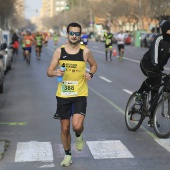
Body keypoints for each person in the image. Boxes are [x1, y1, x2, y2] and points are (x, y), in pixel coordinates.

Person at [47, 22, 97, 167]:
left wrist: (91, 74)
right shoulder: (59, 51)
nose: (74, 36)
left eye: (77, 33)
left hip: (80, 94)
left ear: (79, 35)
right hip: (63, 95)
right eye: (71, 33)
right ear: (67, 34)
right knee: (64, 128)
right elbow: (49, 70)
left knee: (76, 126)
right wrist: (55, 72)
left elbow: (94, 65)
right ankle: (68, 154)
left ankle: (79, 134)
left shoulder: (85, 51)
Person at [135, 21, 170, 127]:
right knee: (153, 76)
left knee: (155, 93)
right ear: (164, 31)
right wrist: (155, 64)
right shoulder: (159, 39)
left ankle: (151, 120)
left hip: (158, 68)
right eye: (169, 31)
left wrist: (158, 68)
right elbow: (154, 52)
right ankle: (139, 93)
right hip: (147, 63)